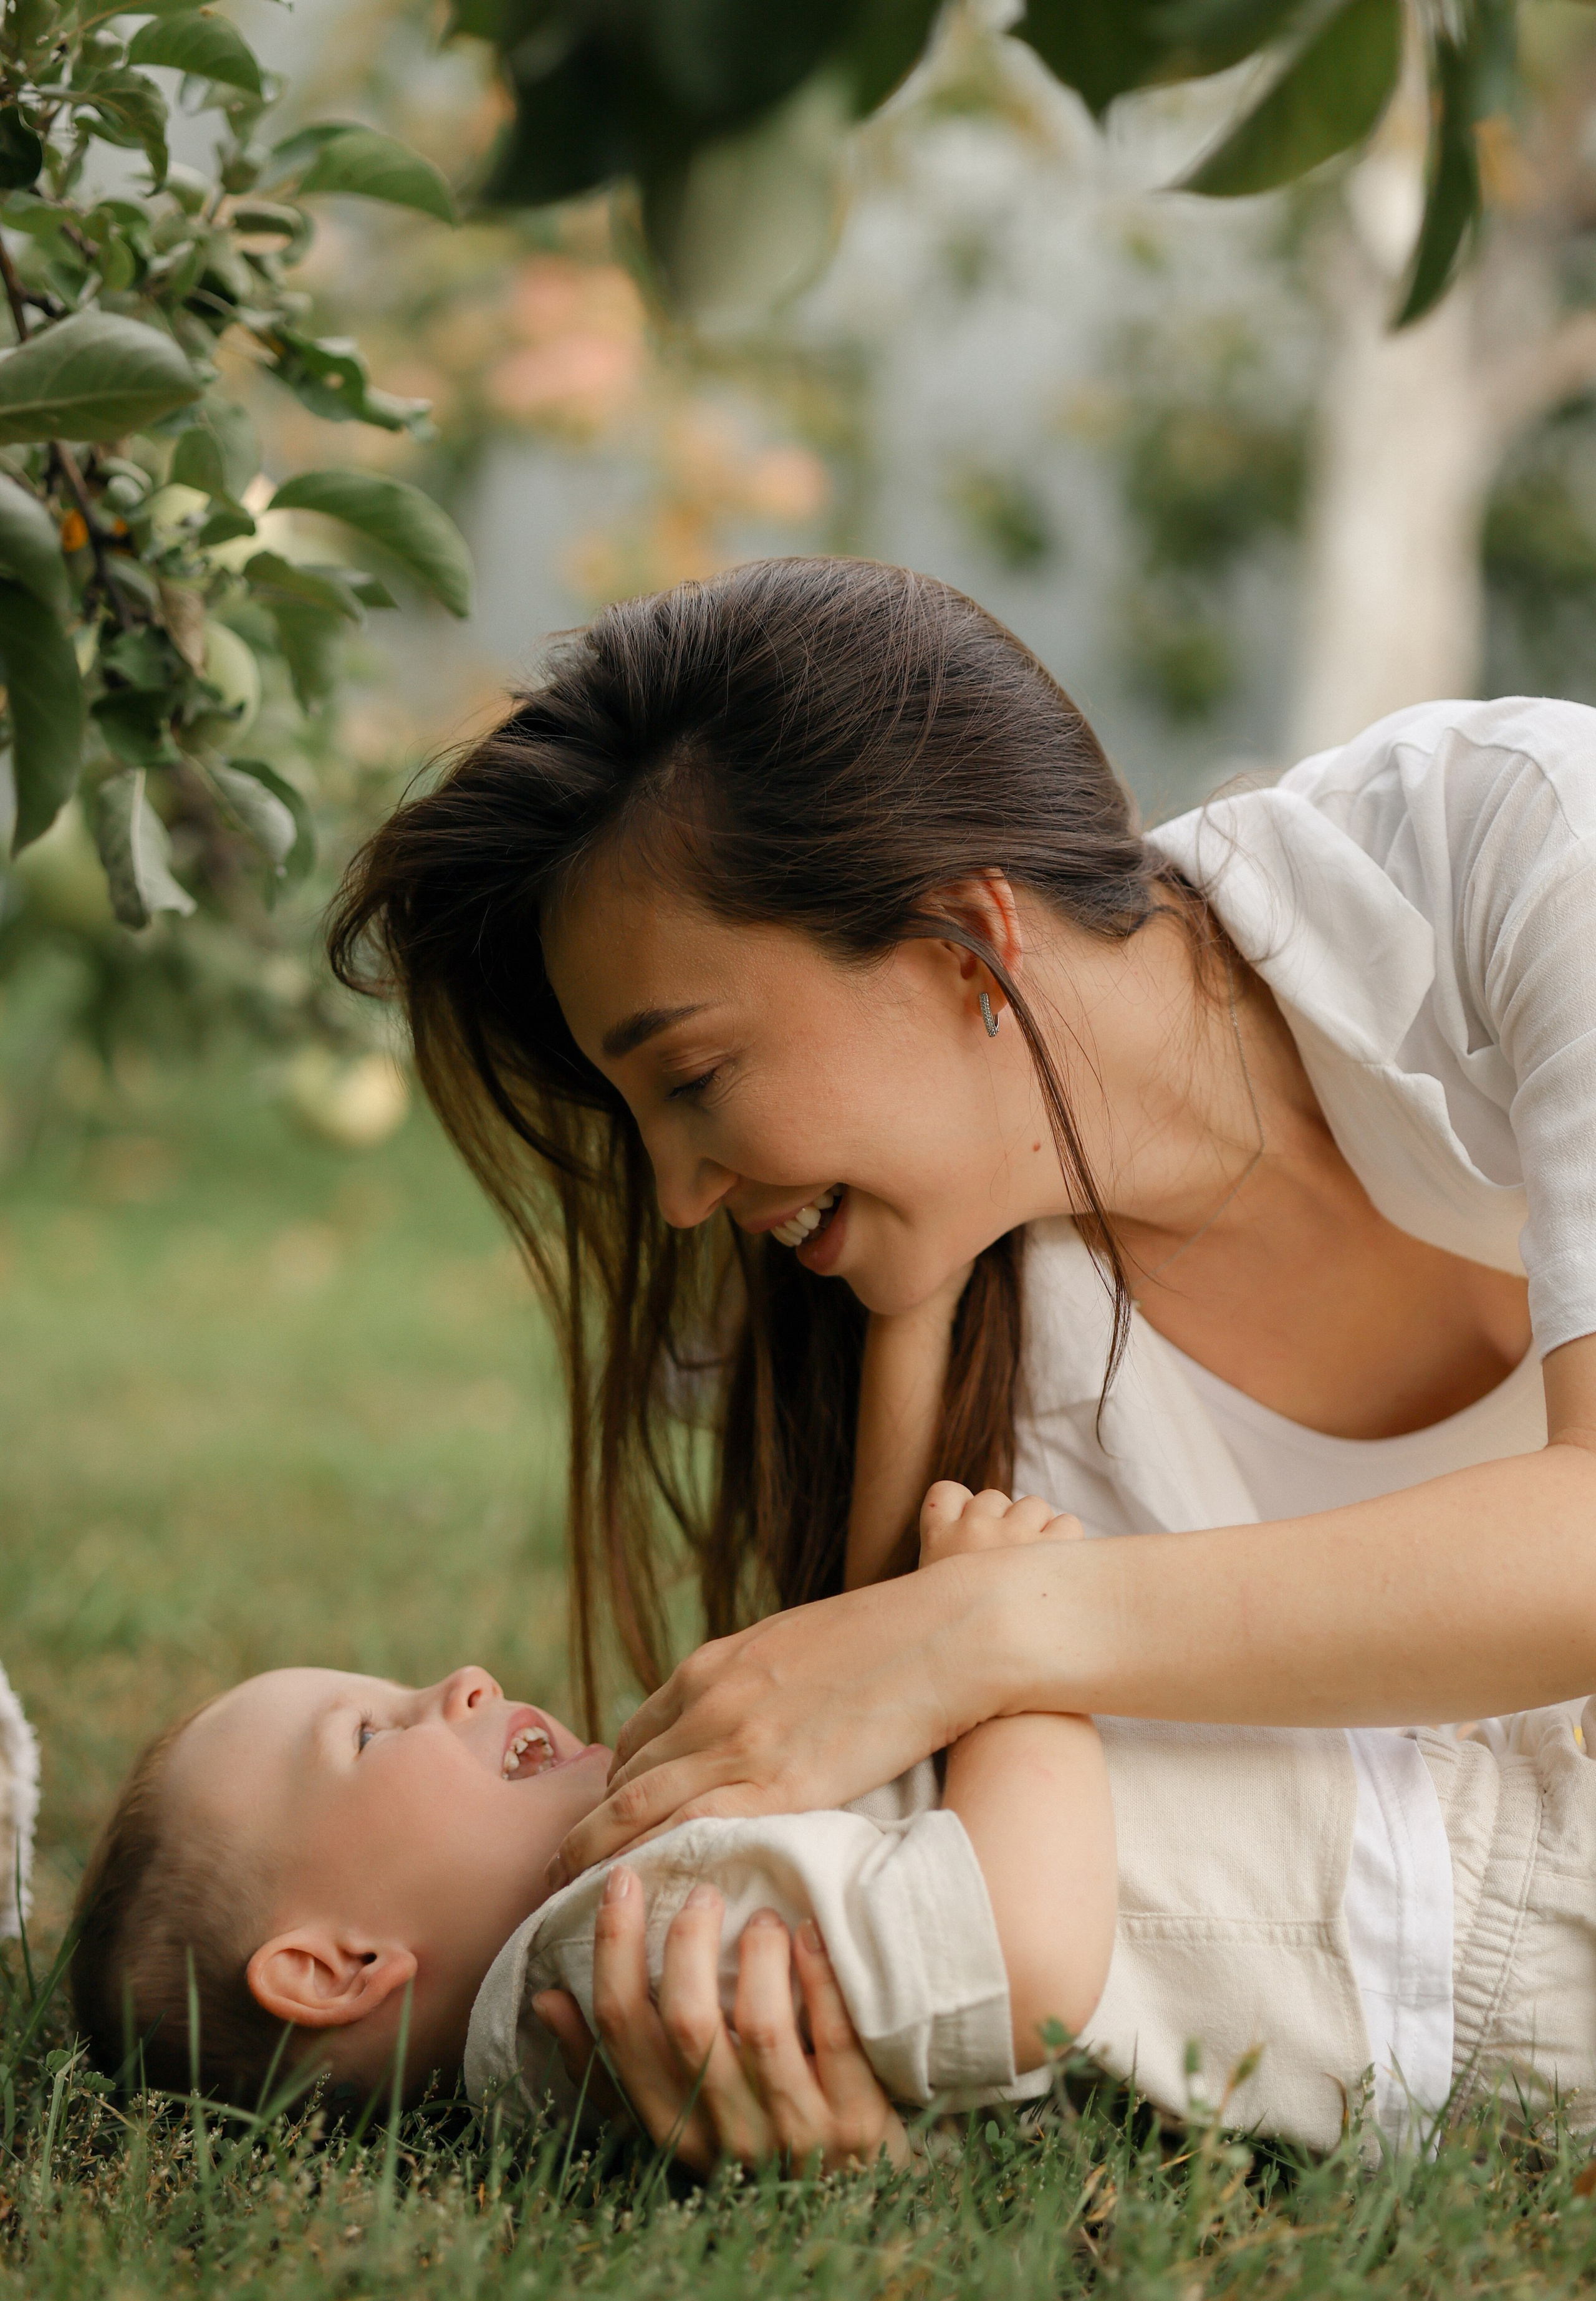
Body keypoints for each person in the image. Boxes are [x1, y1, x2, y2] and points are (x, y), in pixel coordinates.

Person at [327, 554, 1596, 2158]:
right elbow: (1045, 1937)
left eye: (696, 1073)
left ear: (960, 941)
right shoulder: (973, 1400)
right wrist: (806, 2045)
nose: (675, 1196)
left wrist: (986, 1628)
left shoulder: (1523, 857)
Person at [67, 1487, 1596, 2169]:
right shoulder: (621, 1942)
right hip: (1467, 1929)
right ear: (334, 1966)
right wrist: (1010, 1656)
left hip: (1428, 1846)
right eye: (376, 1730)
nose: (457, 1682)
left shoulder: (620, 1908)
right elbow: (1022, 1961)